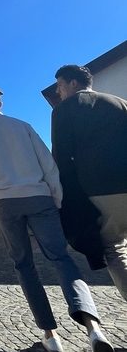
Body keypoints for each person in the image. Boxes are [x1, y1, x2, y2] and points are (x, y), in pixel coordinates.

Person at [0, 87, 119, 352]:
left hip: (5, 201)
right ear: (1, 102)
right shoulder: (23, 126)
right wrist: (56, 198)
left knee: (24, 265)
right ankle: (93, 329)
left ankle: (50, 335)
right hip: (40, 196)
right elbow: (48, 164)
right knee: (61, 259)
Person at [52, 64, 127, 305]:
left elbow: (61, 158)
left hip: (102, 189)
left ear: (74, 83)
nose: (58, 92)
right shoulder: (120, 103)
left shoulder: (64, 111)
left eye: (61, 86)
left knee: (114, 247)